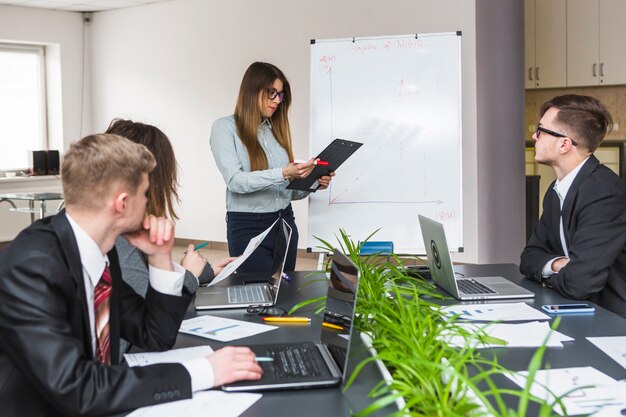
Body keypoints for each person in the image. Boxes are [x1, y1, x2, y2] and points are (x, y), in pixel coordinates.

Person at [0, 134, 262, 416]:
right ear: (123, 203)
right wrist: (204, 371)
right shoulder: (31, 268)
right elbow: (75, 388)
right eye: (146, 193)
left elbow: (154, 336)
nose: (149, 202)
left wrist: (160, 258)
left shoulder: (100, 249)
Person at [210, 61, 334, 273]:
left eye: (280, 95)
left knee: (286, 293)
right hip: (249, 226)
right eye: (272, 93)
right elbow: (235, 182)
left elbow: (286, 192)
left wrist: (312, 182)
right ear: (252, 91)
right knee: (255, 294)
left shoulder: (274, 131)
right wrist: (284, 172)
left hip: (284, 221)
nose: (277, 100)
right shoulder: (224, 128)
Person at [520, 94, 626, 318]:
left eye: (540, 131)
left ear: (564, 144)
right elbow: (529, 258)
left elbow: (579, 282)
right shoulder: (556, 190)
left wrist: (554, 271)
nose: (533, 136)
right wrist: (559, 264)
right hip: (580, 310)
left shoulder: (604, 193)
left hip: (612, 321)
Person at [105, 118, 234, 297]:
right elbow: (150, 307)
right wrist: (190, 275)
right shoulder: (118, 236)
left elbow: (143, 279)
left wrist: (204, 271)